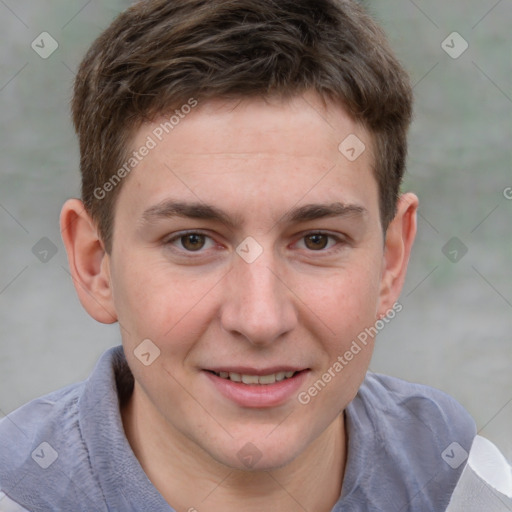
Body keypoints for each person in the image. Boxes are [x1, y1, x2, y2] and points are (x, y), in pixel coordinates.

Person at [0, 1, 477, 510]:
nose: (259, 319)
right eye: (192, 241)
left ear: (390, 261)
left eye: (317, 240)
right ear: (96, 265)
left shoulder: (467, 485)